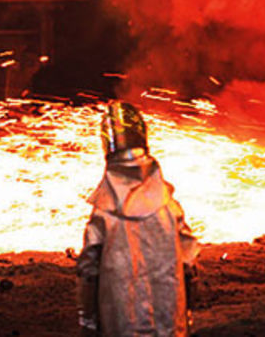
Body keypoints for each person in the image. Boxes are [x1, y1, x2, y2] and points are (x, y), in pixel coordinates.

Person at [76, 101, 200, 336]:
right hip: (169, 324)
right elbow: (189, 264)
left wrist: (88, 321)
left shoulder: (104, 213)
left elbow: (88, 273)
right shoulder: (168, 206)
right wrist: (188, 313)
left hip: (121, 325)